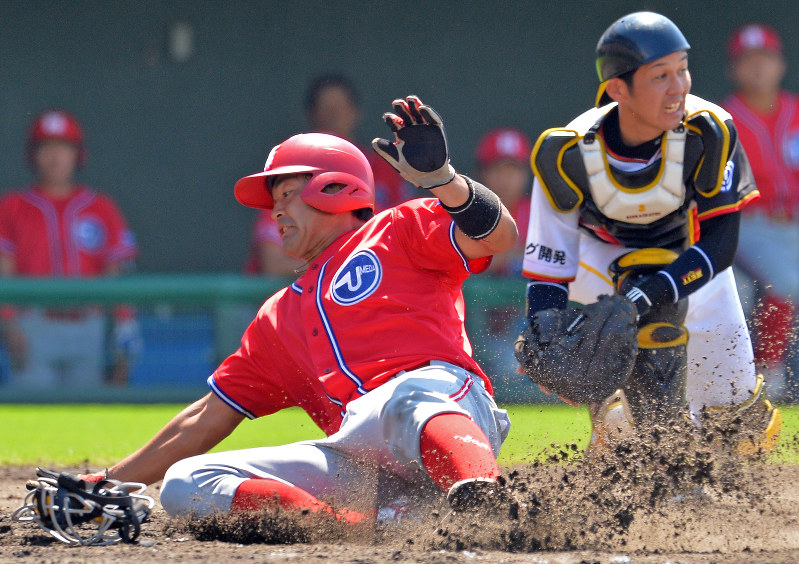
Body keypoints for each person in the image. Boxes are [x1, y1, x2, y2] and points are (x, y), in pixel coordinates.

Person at [78, 96, 517, 522]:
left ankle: (485, 502)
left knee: (405, 396)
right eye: (275, 201)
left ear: (334, 187)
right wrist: (106, 484)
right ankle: (368, 526)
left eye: (287, 193)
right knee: (187, 482)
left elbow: (499, 238)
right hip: (363, 460)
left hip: (445, 412)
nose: (276, 212)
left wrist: (445, 181)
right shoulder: (278, 316)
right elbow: (203, 419)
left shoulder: (397, 228)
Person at [517, 12, 781, 452]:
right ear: (618, 88)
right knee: (648, 332)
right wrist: (545, 338)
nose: (679, 86)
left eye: (682, 69)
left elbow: (719, 243)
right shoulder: (566, 152)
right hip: (597, 260)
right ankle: (634, 437)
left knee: (740, 426)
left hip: (689, 258)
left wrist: (643, 297)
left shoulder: (708, 130)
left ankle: (671, 454)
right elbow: (548, 272)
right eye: (661, 75)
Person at [0, 110, 139, 387]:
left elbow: (118, 277)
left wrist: (124, 332)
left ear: (78, 154)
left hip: (88, 323)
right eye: (46, 147)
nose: (55, 157)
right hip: (33, 325)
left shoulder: (101, 207)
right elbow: (3, 273)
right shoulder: (12, 206)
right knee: (32, 418)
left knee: (87, 415)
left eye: (64, 147)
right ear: (33, 155)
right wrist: (9, 325)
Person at [243, 74, 415, 277]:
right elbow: (273, 265)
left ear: (355, 112)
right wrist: (343, 265)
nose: (334, 115)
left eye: (341, 107)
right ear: (313, 115)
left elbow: (410, 244)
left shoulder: (385, 169)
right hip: (295, 297)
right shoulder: (292, 174)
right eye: (326, 108)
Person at [720, 23, 799, 399]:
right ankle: (770, 373)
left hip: (794, 224)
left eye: (765, 58)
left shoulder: (796, 111)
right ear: (733, 69)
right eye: (749, 60)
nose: (758, 68)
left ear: (780, 64)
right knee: (784, 280)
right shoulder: (722, 120)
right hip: (749, 224)